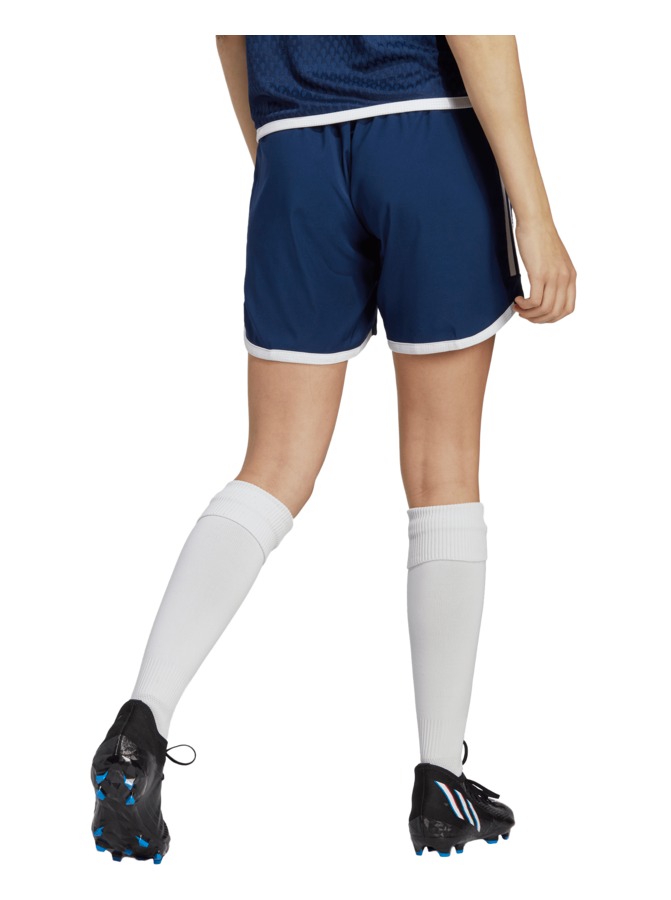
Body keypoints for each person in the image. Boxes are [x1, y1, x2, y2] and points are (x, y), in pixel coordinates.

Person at [89, 34, 576, 863]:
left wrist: (281, 156)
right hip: (426, 132)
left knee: (272, 469)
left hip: (294, 148)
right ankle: (439, 778)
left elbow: (230, 27)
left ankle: (141, 723)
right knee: (443, 470)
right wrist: (535, 212)